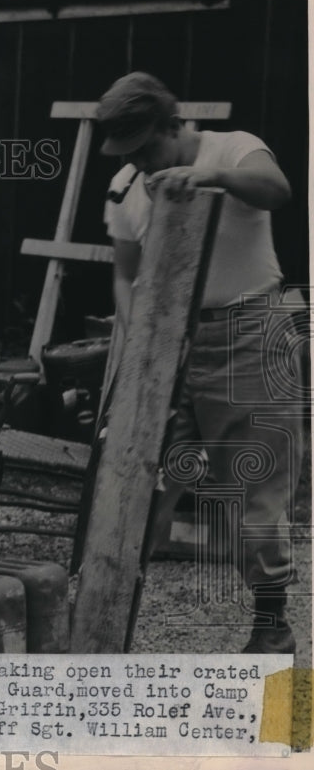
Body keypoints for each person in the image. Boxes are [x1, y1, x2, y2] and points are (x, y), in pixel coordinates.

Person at [97, 71, 302, 653]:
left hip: (249, 333)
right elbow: (124, 272)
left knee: (252, 492)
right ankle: (107, 631)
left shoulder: (234, 148)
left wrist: (208, 176)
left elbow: (277, 189)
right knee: (134, 486)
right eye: (127, 153)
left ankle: (272, 627)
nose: (138, 162)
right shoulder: (124, 186)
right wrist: (138, 343)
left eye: (147, 147)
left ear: (174, 124)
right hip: (168, 344)